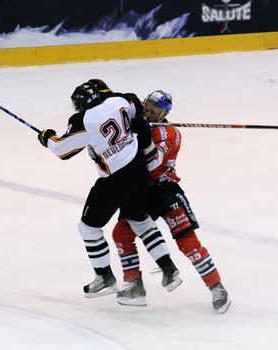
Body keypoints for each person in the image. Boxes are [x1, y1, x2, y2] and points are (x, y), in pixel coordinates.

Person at [37, 81, 182, 298]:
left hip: (114, 181)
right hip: (139, 171)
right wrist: (141, 124)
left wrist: (46, 137)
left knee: (88, 228)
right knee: (140, 221)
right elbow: (138, 110)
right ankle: (169, 268)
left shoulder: (83, 120)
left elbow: (62, 150)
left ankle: (105, 277)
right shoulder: (122, 99)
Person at [112, 90, 231, 313]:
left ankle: (217, 287)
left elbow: (153, 164)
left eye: (153, 112)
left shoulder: (170, 135)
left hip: (165, 191)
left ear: (164, 113)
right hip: (141, 193)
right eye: (146, 108)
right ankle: (135, 286)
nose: (147, 113)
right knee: (121, 233)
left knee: (187, 241)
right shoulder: (138, 118)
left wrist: (143, 134)